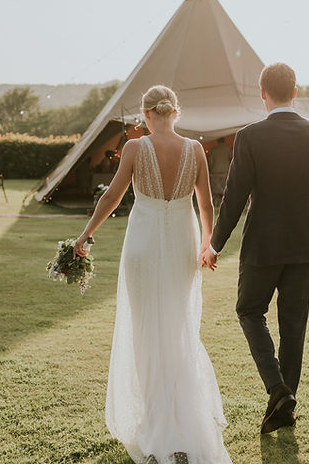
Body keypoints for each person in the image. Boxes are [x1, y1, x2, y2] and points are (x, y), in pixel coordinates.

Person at [73, 85, 231, 464]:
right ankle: (177, 417)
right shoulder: (195, 149)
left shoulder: (133, 148)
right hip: (182, 243)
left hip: (143, 245)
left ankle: (156, 419)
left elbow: (111, 197)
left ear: (146, 114)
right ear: (176, 112)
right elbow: (206, 203)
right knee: (177, 327)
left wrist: (85, 235)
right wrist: (208, 245)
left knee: (146, 331)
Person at [202, 62, 309, 435]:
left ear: (262, 93)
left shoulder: (249, 137)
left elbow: (233, 198)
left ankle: (278, 391)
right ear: (296, 92)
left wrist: (215, 243)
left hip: (261, 246)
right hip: (303, 246)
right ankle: (286, 404)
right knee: (293, 326)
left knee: (249, 310)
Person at [207, 137, 232, 206]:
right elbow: (231, 158)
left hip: (215, 172)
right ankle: (226, 204)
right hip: (225, 172)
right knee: (225, 189)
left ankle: (216, 202)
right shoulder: (228, 148)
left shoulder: (213, 149)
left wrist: (210, 170)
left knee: (215, 190)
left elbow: (211, 161)